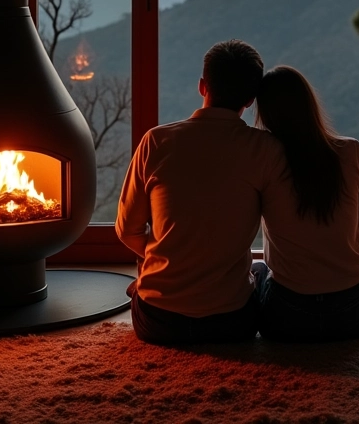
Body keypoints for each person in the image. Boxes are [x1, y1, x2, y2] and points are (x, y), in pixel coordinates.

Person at [116, 39, 287, 345]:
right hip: (230, 324)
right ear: (250, 99)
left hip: (157, 322)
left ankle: (148, 283)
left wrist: (173, 258)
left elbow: (127, 231)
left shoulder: (156, 141)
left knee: (150, 274)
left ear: (202, 86)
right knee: (260, 272)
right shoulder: (265, 149)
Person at [253, 65, 359, 342]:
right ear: (310, 103)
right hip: (353, 315)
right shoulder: (351, 150)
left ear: (266, 113)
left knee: (258, 270)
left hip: (286, 318)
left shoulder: (263, 156)